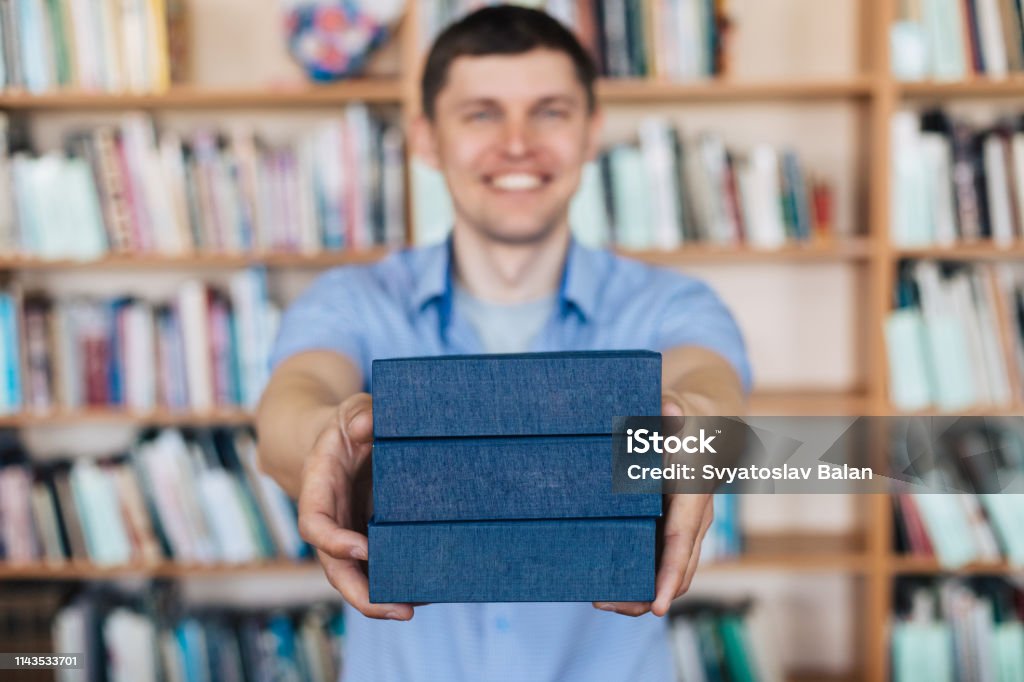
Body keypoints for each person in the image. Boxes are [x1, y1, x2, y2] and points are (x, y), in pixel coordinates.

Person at [257, 5, 750, 680]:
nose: (517, 144)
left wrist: (693, 431)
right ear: (427, 139)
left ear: (590, 132)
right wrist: (325, 438)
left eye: (549, 111)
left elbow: (714, 396)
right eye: (482, 113)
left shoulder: (672, 303)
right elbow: (294, 399)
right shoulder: (349, 300)